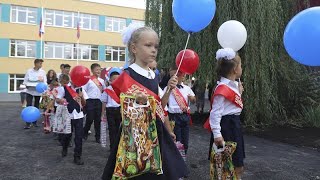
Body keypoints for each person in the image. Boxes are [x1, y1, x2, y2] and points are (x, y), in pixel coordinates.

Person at [102, 25, 188, 180]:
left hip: (156, 130)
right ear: (134, 48)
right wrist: (136, 100)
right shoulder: (126, 76)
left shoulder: (154, 75)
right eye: (148, 45)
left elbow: (159, 106)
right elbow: (127, 112)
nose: (153, 50)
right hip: (137, 135)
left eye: (155, 46)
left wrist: (168, 90)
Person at [206, 48, 245, 179]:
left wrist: (239, 93)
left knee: (238, 164)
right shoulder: (222, 87)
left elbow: (233, 106)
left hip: (235, 125)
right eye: (240, 65)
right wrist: (217, 134)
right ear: (235, 69)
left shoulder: (232, 86)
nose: (241, 67)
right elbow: (215, 113)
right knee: (225, 166)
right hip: (226, 128)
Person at [56, 74, 88, 165]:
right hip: (68, 115)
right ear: (71, 79)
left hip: (79, 115)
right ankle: (64, 147)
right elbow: (57, 99)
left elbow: (84, 103)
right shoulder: (64, 88)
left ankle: (77, 157)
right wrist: (61, 100)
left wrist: (81, 97)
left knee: (78, 137)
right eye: (75, 79)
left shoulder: (81, 89)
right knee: (67, 135)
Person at [164, 66, 196, 156]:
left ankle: (184, 158)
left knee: (185, 141)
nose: (175, 77)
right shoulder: (168, 88)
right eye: (173, 75)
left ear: (183, 76)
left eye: (178, 75)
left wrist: (192, 98)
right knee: (176, 141)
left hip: (185, 116)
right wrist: (168, 90)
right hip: (174, 117)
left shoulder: (187, 88)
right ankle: (177, 161)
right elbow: (162, 103)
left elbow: (194, 100)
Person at [82, 63, 106, 143]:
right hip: (90, 101)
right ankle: (85, 133)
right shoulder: (88, 80)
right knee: (90, 118)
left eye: (99, 69)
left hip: (98, 101)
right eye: (97, 70)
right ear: (92, 70)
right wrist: (85, 99)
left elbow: (105, 91)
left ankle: (97, 137)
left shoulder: (102, 81)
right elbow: (83, 89)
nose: (98, 71)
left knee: (98, 120)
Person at [100, 68, 122, 150]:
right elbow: (104, 102)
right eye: (114, 79)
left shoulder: (122, 89)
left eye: (118, 79)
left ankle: (118, 147)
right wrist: (102, 113)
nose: (116, 81)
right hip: (110, 111)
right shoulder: (108, 89)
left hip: (119, 110)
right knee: (112, 130)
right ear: (110, 80)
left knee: (119, 130)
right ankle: (112, 147)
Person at [23, 59, 47, 129]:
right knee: (29, 106)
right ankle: (28, 123)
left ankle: (34, 122)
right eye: (40, 63)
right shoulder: (29, 71)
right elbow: (25, 81)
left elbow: (45, 82)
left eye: (41, 64)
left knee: (36, 107)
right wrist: (26, 85)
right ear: (35, 64)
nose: (41, 65)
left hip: (38, 92)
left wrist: (44, 89)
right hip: (30, 91)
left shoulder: (42, 72)